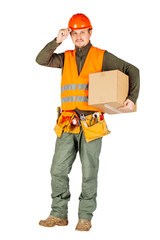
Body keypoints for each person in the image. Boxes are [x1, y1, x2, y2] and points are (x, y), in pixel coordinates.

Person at [36, 13, 140, 231]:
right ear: (71, 35)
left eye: (82, 32)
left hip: (92, 124)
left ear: (90, 32)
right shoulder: (65, 57)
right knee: (57, 169)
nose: (79, 37)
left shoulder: (102, 56)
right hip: (67, 124)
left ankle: (85, 216)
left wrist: (132, 98)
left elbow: (133, 70)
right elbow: (41, 59)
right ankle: (58, 214)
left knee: (89, 171)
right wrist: (57, 41)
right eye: (74, 33)